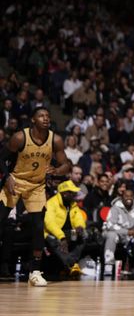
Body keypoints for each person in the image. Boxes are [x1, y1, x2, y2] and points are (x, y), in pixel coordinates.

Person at [0, 107, 70, 286]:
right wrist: (7, 177)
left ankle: (35, 271)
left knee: (38, 226)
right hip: (16, 181)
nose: (45, 118)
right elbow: (1, 158)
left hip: (37, 186)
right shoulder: (20, 137)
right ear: (33, 119)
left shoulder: (56, 140)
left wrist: (57, 170)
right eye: (41, 116)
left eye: (48, 115)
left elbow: (66, 165)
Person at [43, 180, 87, 277]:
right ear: (64, 193)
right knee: (55, 241)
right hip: (52, 233)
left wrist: (80, 227)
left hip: (68, 232)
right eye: (72, 192)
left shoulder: (72, 204)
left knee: (84, 236)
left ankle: (70, 264)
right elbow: (49, 223)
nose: (74, 194)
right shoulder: (51, 203)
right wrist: (62, 237)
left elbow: (78, 218)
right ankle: (70, 265)